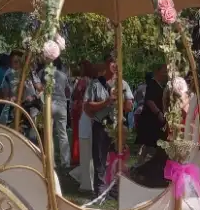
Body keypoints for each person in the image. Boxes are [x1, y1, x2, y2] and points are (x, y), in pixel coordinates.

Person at [83, 54, 134, 191]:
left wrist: (126, 102)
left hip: (117, 127)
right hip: (101, 126)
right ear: (106, 64)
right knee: (99, 158)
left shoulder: (123, 84)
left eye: (118, 63)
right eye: (113, 62)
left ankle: (116, 187)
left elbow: (129, 106)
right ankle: (100, 188)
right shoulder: (95, 84)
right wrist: (106, 102)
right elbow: (87, 106)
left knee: (117, 157)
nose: (115, 65)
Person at [135, 65, 168, 158]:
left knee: (148, 146)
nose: (165, 74)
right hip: (150, 120)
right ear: (157, 72)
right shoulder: (152, 84)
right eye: (164, 72)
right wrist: (158, 113)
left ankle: (142, 162)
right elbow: (149, 101)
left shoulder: (160, 85)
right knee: (149, 144)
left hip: (154, 121)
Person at [49, 58, 71, 169]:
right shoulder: (63, 75)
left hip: (50, 103)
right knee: (63, 134)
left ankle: (51, 161)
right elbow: (68, 91)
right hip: (61, 104)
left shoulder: (47, 74)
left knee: (49, 134)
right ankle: (65, 161)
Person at [70, 61, 92, 166]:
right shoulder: (90, 81)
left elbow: (75, 94)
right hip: (83, 109)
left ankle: (77, 156)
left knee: (78, 133)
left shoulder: (83, 81)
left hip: (80, 109)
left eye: (81, 68)